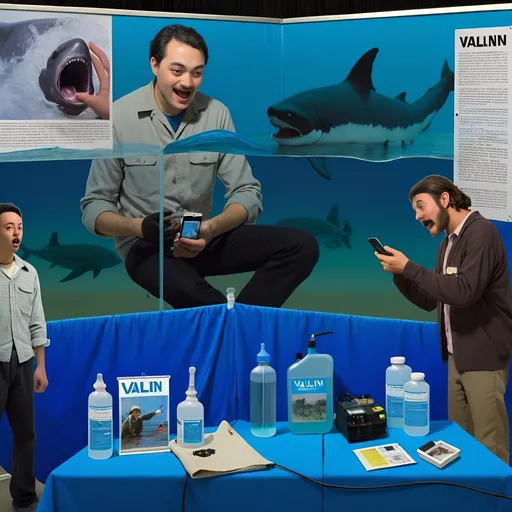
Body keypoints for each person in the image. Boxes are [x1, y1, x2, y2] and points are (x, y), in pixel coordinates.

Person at [80, 24, 319, 309]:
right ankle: (236, 331)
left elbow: (247, 192)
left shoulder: (217, 113)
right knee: (212, 307)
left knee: (303, 246)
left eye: (197, 72)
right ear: (154, 65)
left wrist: (210, 229)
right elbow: (94, 207)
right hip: (145, 246)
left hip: (201, 236)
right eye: (177, 71)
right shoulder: (119, 117)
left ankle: (242, 324)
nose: (188, 83)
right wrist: (139, 227)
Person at [374, 175, 512, 464]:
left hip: (483, 358)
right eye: (415, 209)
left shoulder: (481, 233)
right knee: (460, 444)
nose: (418, 215)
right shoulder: (447, 244)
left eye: (421, 206)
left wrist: (410, 268)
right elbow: (429, 301)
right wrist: (400, 275)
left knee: (490, 446)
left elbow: (464, 292)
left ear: (445, 199)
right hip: (455, 358)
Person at [0, 203, 49, 511]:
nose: (16, 233)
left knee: (26, 434)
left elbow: (37, 322)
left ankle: (24, 498)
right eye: (8, 227)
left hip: (23, 363)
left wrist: (40, 365)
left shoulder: (30, 273)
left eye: (19, 227)